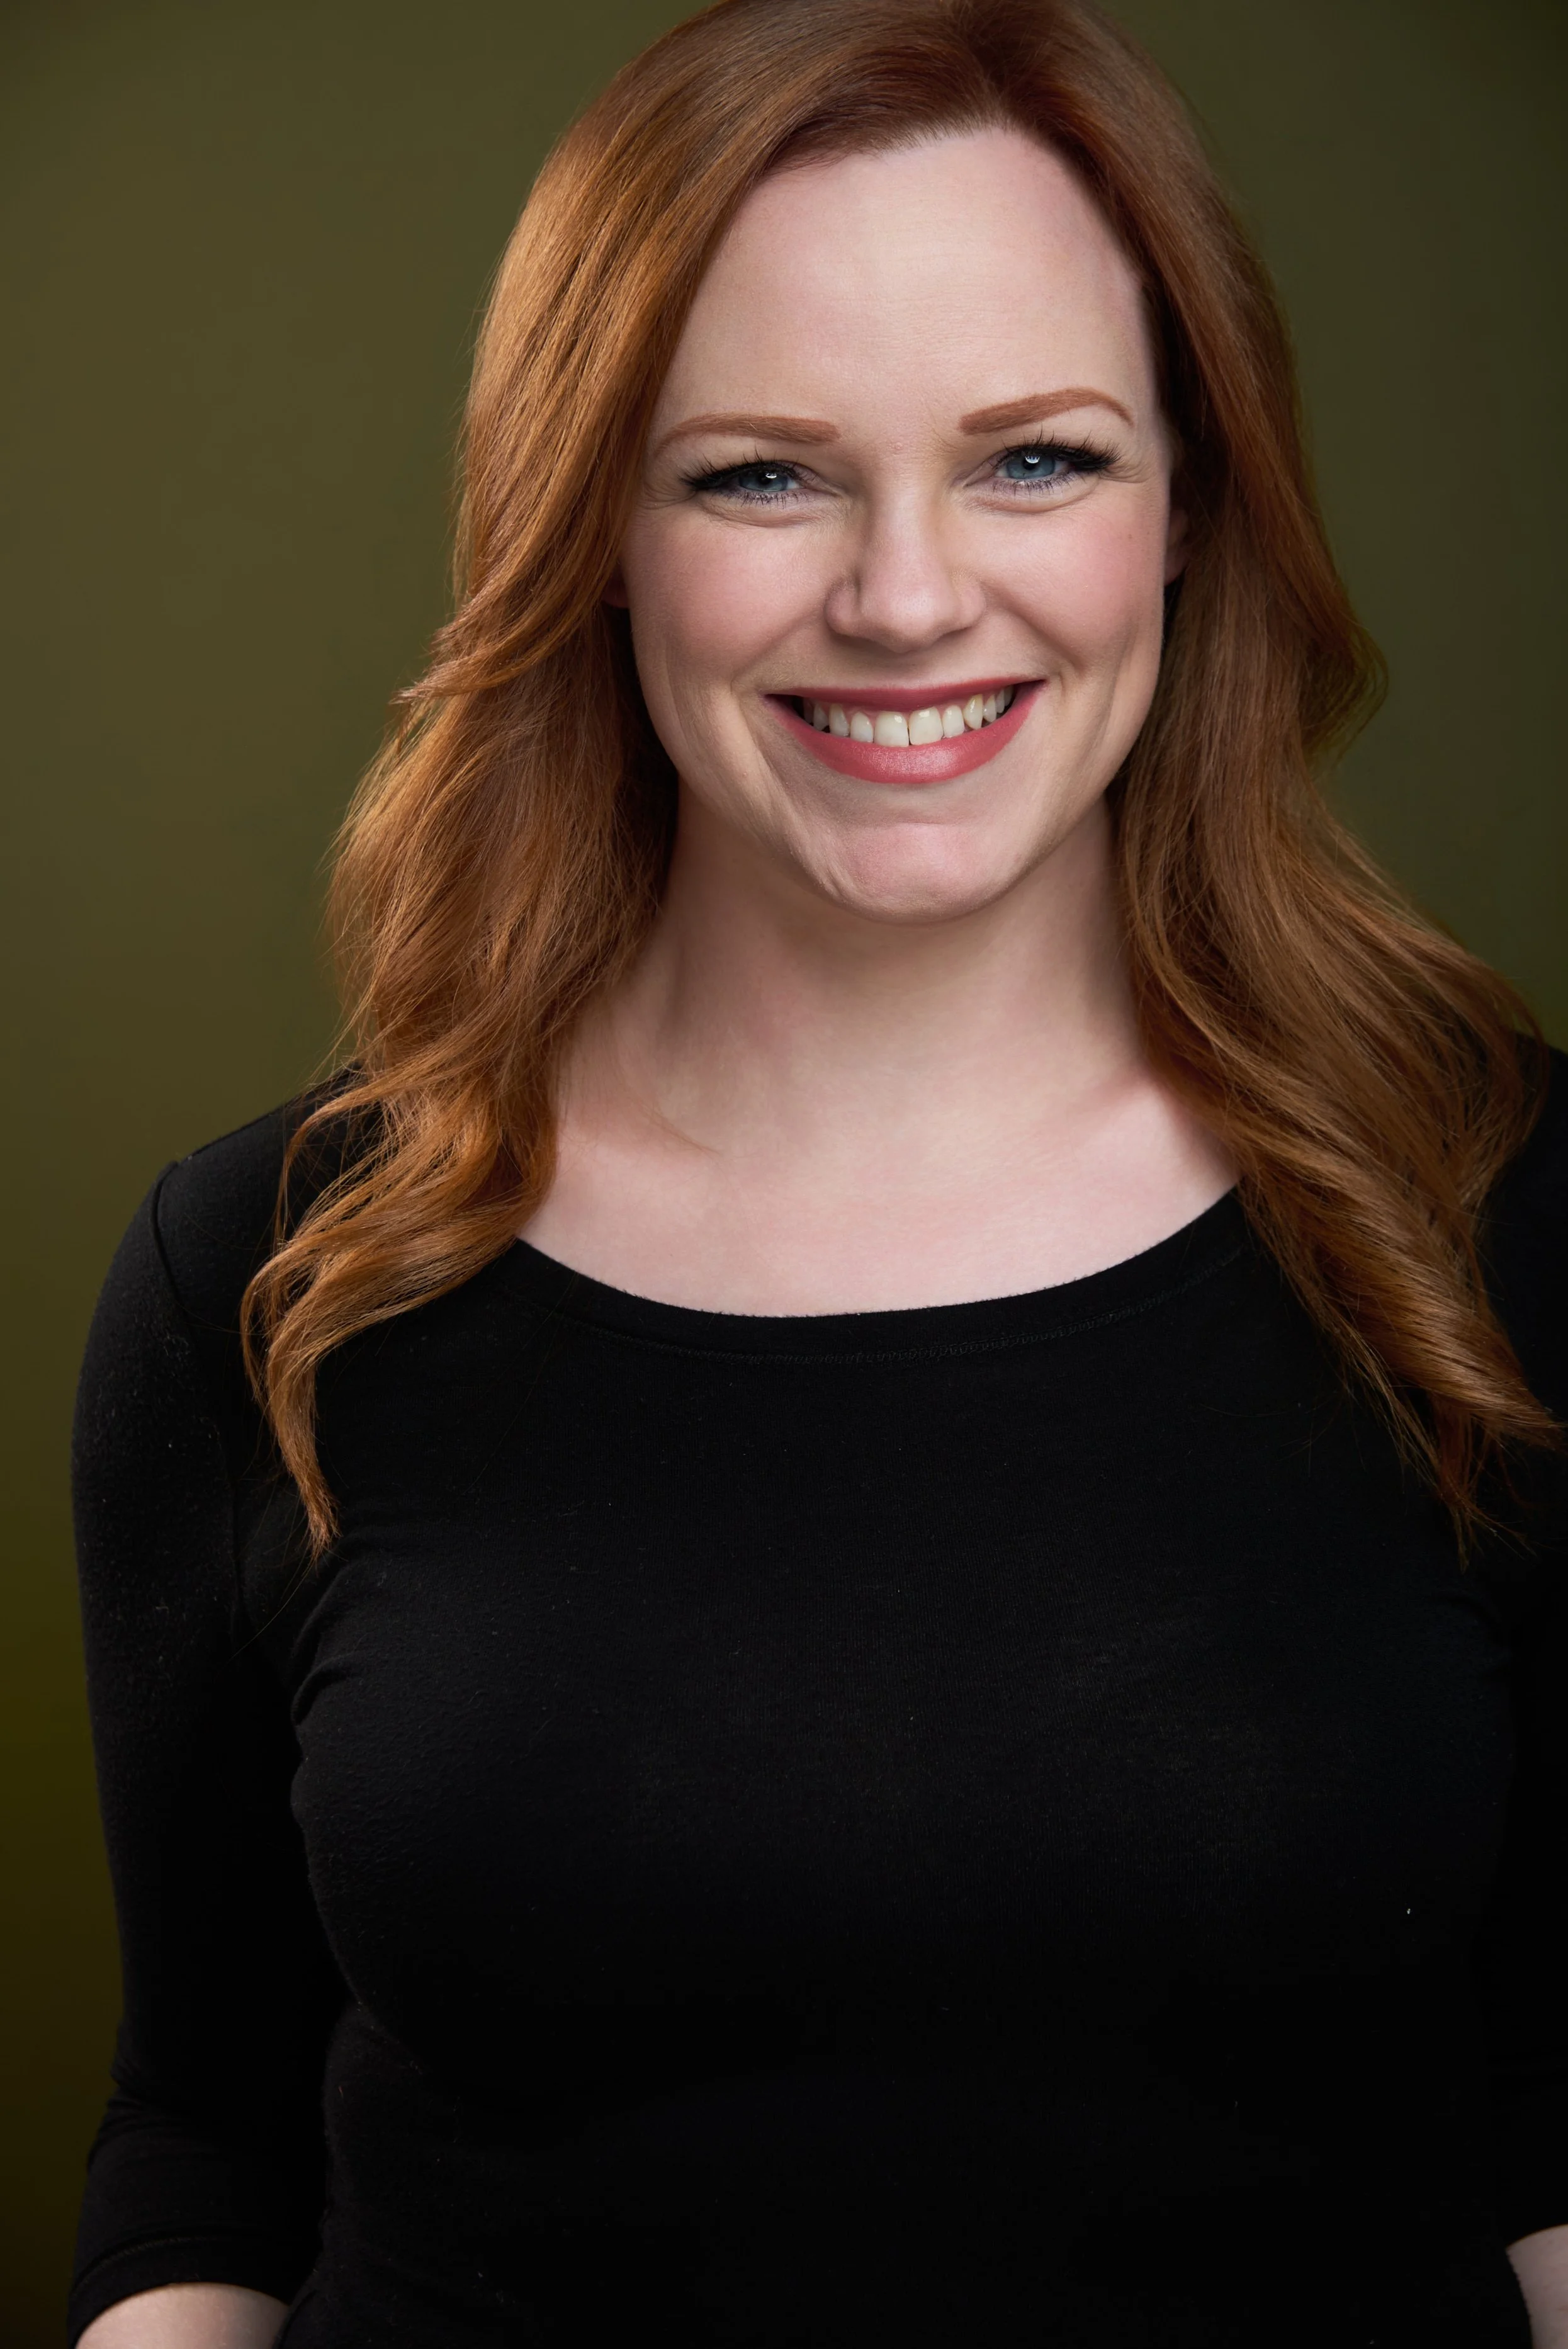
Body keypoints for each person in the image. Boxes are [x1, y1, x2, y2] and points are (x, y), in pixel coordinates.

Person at [69, 0, 1567, 2342]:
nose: (902, 595)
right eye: (763, 475)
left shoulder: (1493, 1214)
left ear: (1196, 507)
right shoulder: (270, 1276)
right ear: (591, 537)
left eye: (1037, 461)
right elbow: (201, 2154)